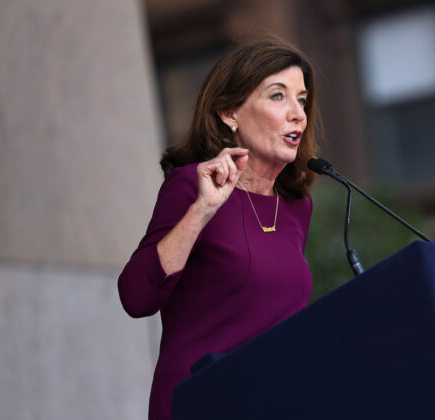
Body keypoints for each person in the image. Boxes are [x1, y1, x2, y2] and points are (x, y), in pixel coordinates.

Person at [117, 35, 319, 420]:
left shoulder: (296, 208)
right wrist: (202, 210)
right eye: (278, 96)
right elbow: (136, 296)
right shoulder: (192, 186)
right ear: (229, 113)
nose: (298, 114)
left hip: (273, 403)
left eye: (302, 100)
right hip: (202, 402)